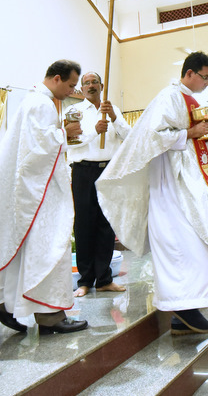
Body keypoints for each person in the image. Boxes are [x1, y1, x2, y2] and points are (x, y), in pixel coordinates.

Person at [96, 52, 208, 335]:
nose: (207, 83)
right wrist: (190, 133)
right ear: (189, 73)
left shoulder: (191, 99)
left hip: (191, 182)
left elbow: (191, 135)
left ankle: (184, 311)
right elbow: (152, 136)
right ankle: (183, 309)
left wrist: (205, 132)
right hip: (171, 185)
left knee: (207, 249)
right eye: (205, 77)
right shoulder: (168, 97)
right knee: (185, 245)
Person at [0, 60, 88, 335]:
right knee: (48, 247)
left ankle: (0, 302)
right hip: (39, 191)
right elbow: (37, 148)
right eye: (71, 85)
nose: (72, 91)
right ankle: (49, 315)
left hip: (31, 187)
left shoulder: (35, 100)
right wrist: (65, 133)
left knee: (16, 246)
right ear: (57, 78)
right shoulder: (41, 103)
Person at [65, 71, 129, 298]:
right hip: (83, 171)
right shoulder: (74, 111)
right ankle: (85, 280)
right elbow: (70, 143)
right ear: (81, 88)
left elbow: (129, 136)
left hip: (109, 170)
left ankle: (104, 279)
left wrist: (113, 117)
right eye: (86, 83)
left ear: (102, 86)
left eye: (94, 82)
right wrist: (95, 131)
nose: (91, 85)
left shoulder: (112, 109)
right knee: (84, 224)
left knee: (106, 223)